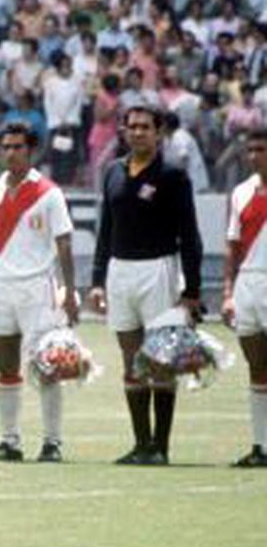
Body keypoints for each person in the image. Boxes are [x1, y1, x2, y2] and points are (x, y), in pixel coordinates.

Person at [89, 105, 203, 466]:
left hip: (159, 269)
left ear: (159, 133)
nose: (137, 132)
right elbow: (104, 230)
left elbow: (190, 235)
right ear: (123, 131)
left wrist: (192, 290)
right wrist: (96, 280)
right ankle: (140, 444)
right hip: (120, 270)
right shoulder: (113, 172)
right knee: (131, 360)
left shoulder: (172, 176)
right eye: (132, 126)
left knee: (160, 359)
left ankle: (161, 446)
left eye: (145, 127)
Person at [0, 121, 78, 463]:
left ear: (31, 151)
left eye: (18, 147)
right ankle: (10, 441)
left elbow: (64, 245)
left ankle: (52, 442)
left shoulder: (49, 193)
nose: (11, 153)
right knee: (6, 366)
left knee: (46, 366)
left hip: (38, 288)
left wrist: (70, 292)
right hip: (3, 289)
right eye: (6, 147)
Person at [222, 127, 267, 467]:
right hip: (248, 285)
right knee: (257, 368)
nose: (255, 156)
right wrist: (227, 292)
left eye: (261, 149)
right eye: (251, 150)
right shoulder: (240, 192)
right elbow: (232, 246)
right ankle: (261, 444)